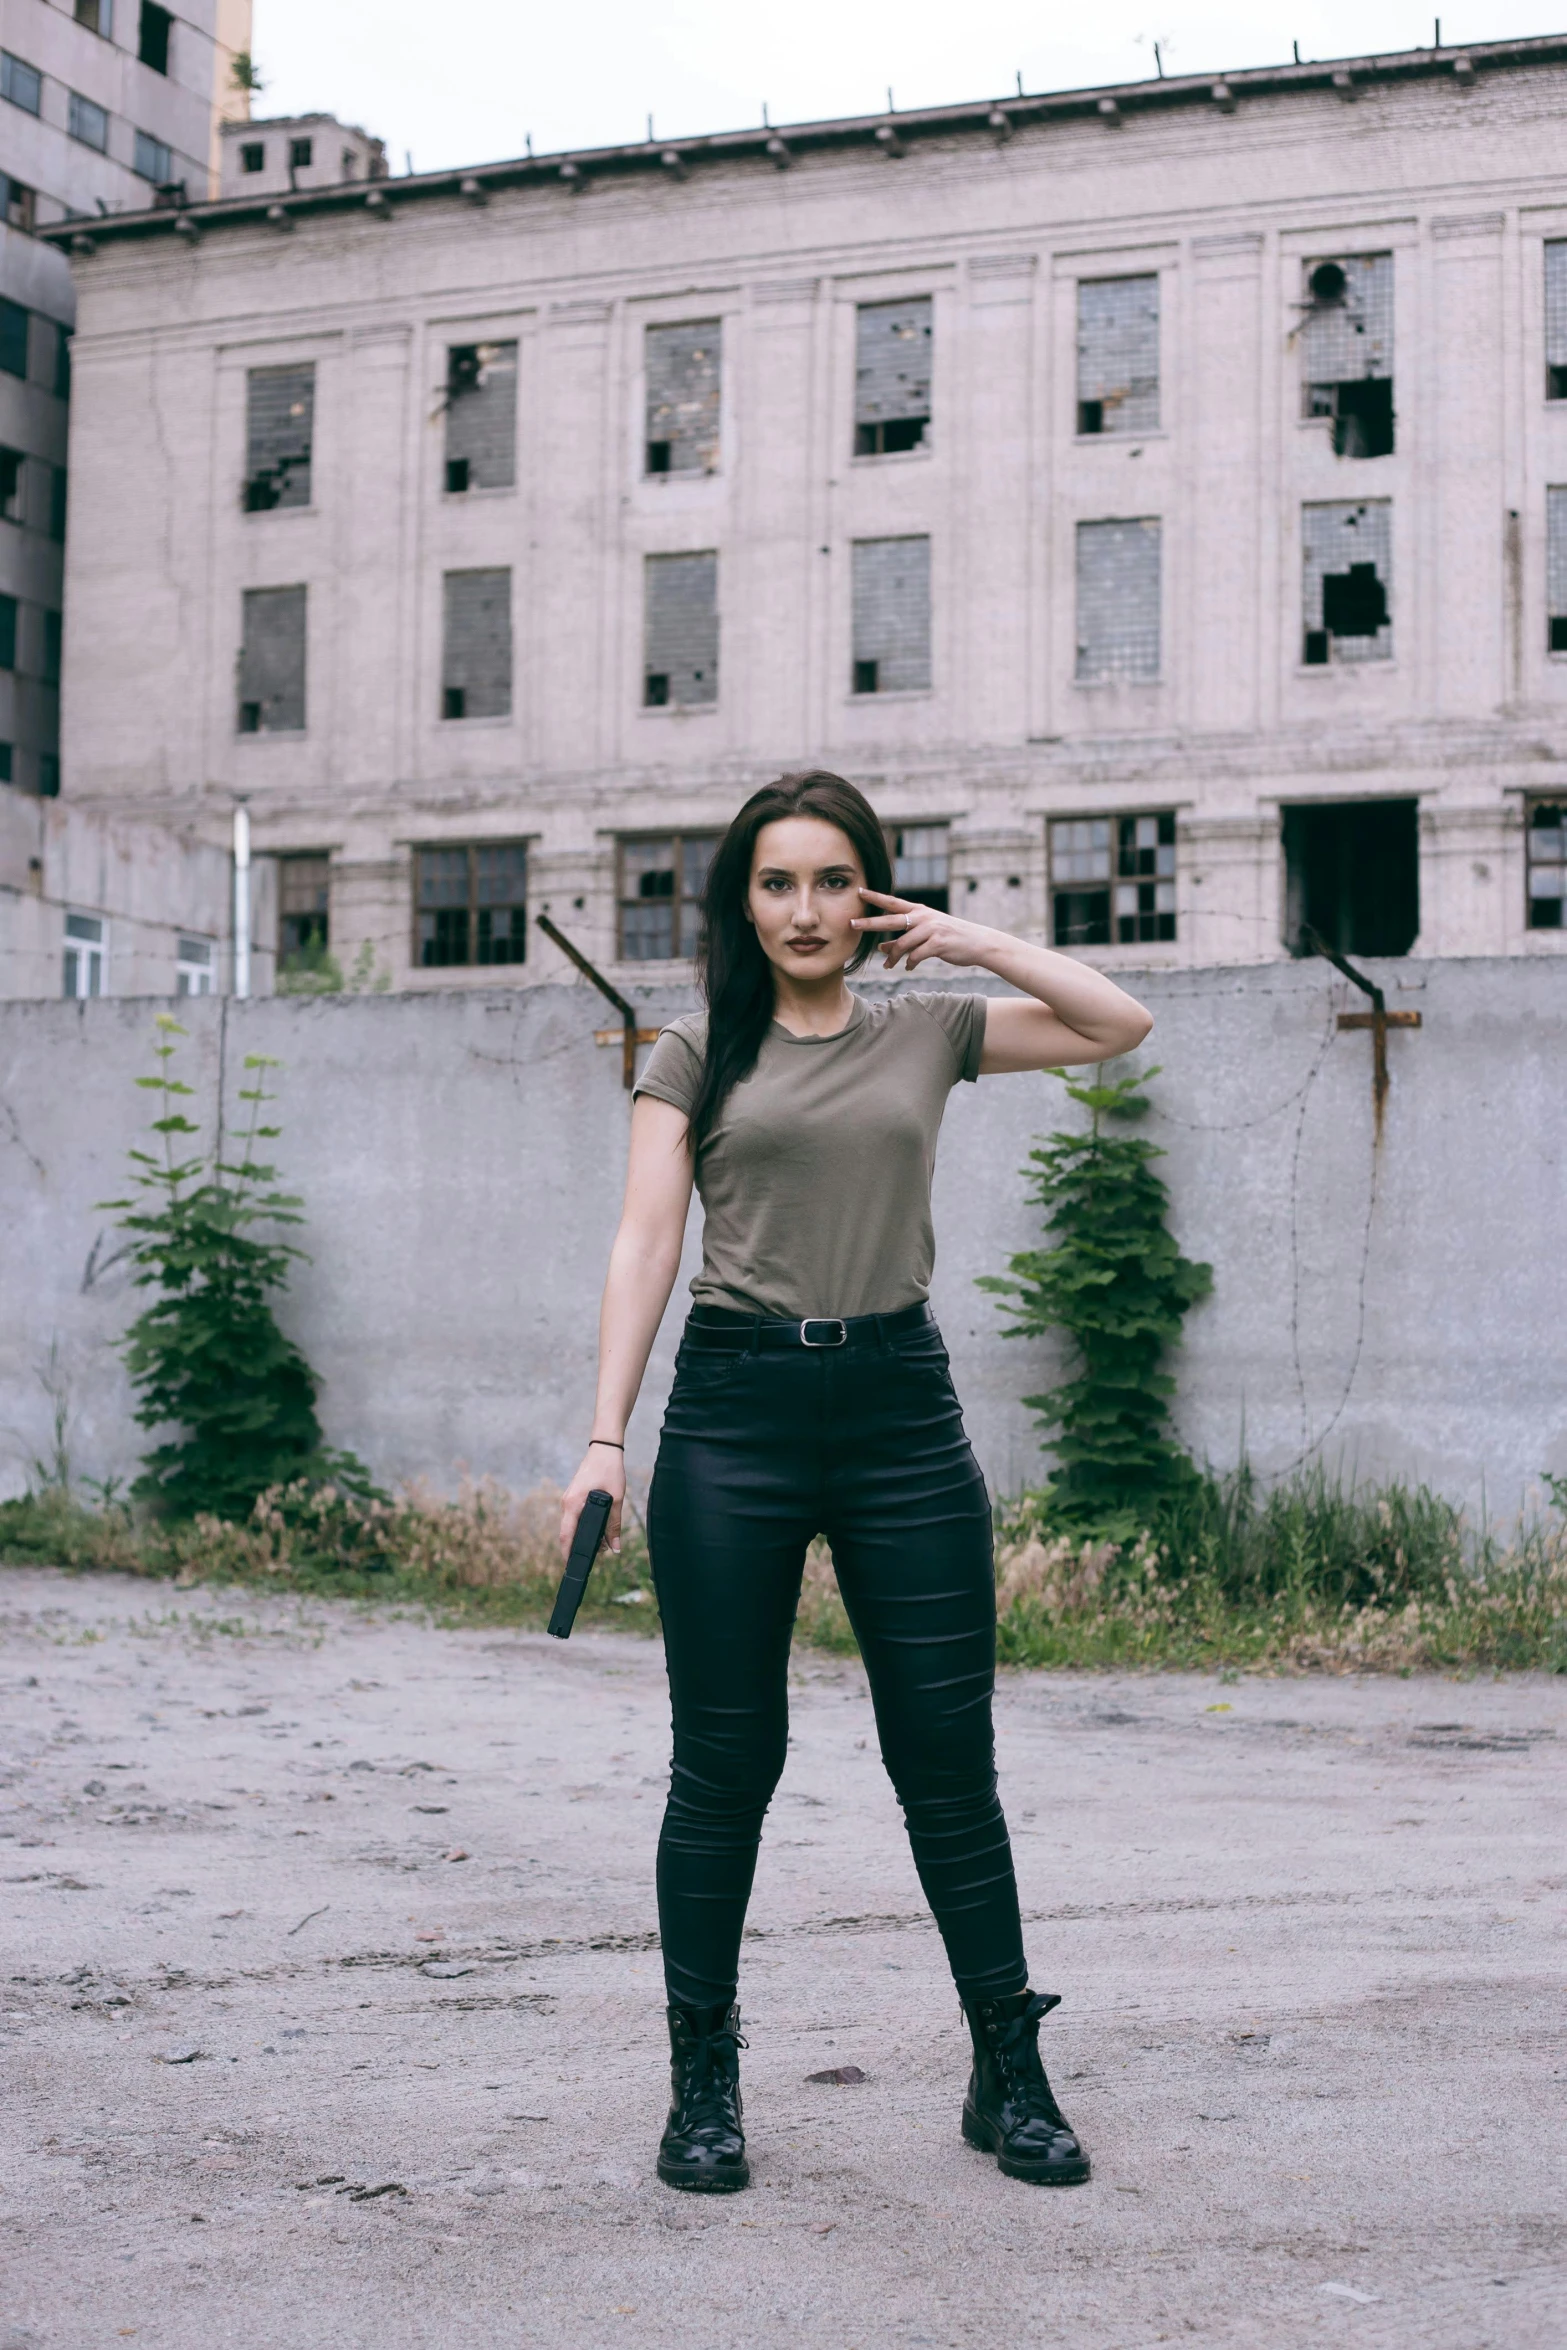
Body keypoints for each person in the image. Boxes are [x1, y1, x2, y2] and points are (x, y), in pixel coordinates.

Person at [559, 771, 1152, 2194]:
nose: (806, 909)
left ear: (869, 892)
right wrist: (602, 1437)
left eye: (834, 880)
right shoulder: (694, 1051)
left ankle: (1006, 2067)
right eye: (777, 883)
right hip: (735, 1412)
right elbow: (644, 1242)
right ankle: (703, 2079)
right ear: (740, 904)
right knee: (724, 1765)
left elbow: (1114, 1025)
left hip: (897, 1411)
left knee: (945, 1762)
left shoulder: (929, 1031)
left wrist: (973, 938)